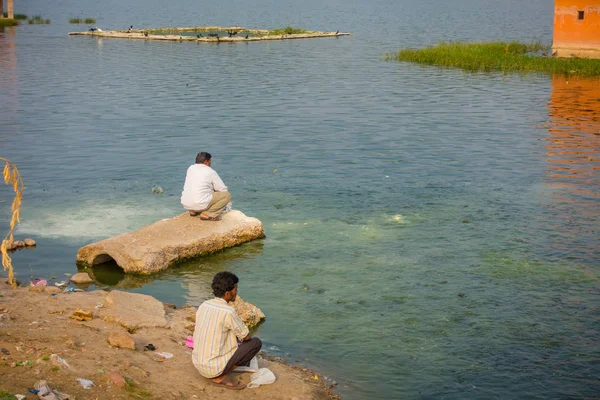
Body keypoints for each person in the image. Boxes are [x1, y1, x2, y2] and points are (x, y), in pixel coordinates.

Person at [192, 272, 262, 390]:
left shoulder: (204, 305)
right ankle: (221, 375)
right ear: (227, 293)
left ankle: (220, 369)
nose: (236, 292)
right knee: (255, 343)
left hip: (198, 363)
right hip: (212, 369)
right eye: (235, 289)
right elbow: (246, 336)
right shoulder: (228, 312)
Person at [181, 152, 231, 221]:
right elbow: (222, 189)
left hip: (186, 203)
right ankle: (208, 214)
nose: (211, 163)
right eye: (210, 161)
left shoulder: (190, 168)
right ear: (206, 162)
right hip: (200, 203)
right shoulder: (210, 171)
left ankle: (193, 211)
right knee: (226, 195)